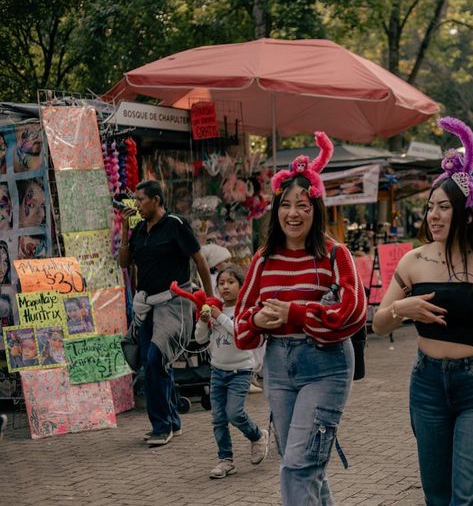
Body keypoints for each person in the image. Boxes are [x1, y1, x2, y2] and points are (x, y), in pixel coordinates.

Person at [372, 117, 473, 505]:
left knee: (471, 498)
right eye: (430, 207)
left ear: (466, 213)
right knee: (438, 497)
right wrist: (402, 307)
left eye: (443, 207)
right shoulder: (413, 262)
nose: (433, 215)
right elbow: (379, 324)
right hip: (427, 386)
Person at [234, 132, 367, 505]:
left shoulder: (334, 255)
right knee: (308, 466)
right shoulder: (264, 258)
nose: (293, 213)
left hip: (326, 365)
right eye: (286, 205)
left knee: (298, 466)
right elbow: (242, 327)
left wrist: (295, 313)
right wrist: (259, 322)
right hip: (278, 366)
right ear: (275, 209)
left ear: (316, 209)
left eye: (303, 205)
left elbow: (353, 313)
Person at [118, 180, 214, 447]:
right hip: (147, 304)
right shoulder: (139, 229)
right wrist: (125, 228)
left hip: (174, 301)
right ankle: (171, 420)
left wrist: (208, 299)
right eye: (135, 200)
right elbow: (125, 263)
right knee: (155, 363)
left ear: (157, 200)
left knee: (154, 360)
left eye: (140, 199)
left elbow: (199, 259)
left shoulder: (175, 224)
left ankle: (161, 426)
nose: (136, 204)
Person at [195, 264, 268, 479]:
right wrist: (202, 321)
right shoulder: (214, 308)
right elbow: (200, 339)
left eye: (230, 282)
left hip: (241, 370)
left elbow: (239, 332)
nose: (225, 287)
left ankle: (257, 435)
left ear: (242, 285)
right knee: (218, 418)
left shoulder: (245, 311)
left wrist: (219, 317)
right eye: (221, 283)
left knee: (234, 413)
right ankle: (225, 460)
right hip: (217, 371)